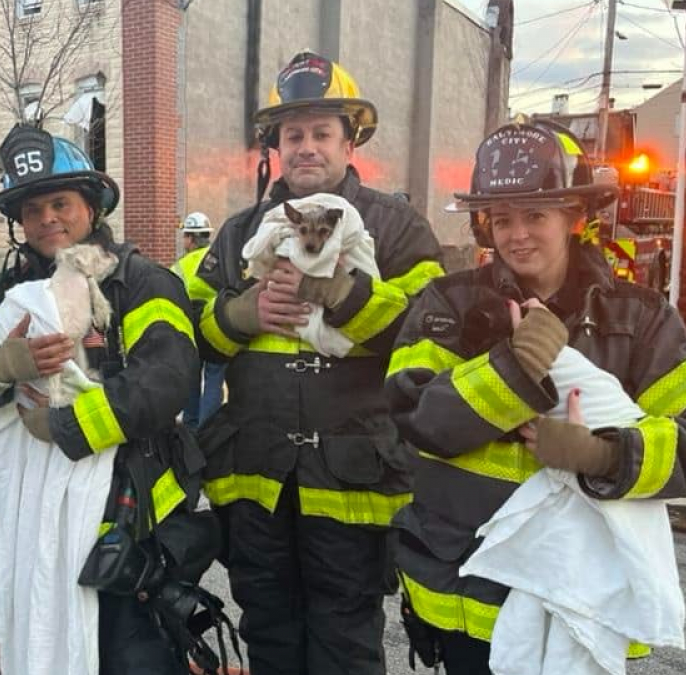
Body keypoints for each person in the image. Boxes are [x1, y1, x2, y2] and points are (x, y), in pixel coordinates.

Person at [383, 119, 686, 674]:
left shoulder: (639, 318)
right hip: (468, 590)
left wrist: (601, 455)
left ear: (575, 216)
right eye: (502, 218)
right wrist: (516, 369)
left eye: (536, 214)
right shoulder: (447, 303)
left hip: (579, 599)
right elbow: (417, 415)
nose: (517, 234)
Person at [185, 51, 445, 675]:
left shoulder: (397, 228)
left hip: (353, 481)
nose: (306, 147)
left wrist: (345, 294)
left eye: (321, 133)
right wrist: (242, 315)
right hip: (256, 476)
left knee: (345, 637)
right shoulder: (237, 232)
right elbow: (192, 334)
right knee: (268, 629)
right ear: (274, 145)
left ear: (349, 142)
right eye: (292, 134)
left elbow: (429, 337)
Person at [0, 125, 221, 674]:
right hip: (42, 513)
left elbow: (167, 376)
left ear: (91, 205)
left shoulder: (138, 281)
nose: (48, 220)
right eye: (32, 210)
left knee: (134, 654)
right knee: (48, 630)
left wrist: (64, 426)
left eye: (61, 203)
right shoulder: (1, 295)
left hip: (133, 514)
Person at [172, 211, 225, 430]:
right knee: (214, 378)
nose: (183, 241)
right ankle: (208, 428)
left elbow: (172, 294)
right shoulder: (221, 259)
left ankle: (191, 426)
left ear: (192, 238)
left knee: (192, 378)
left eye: (185, 236)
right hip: (217, 325)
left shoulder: (182, 265)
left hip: (190, 325)